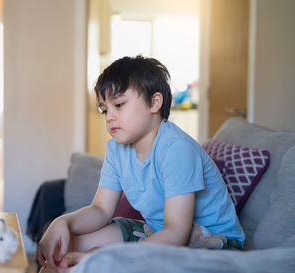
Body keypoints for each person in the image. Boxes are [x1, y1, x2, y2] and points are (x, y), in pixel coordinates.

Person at [37, 56, 245, 272]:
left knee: (99, 263)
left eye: (118, 104)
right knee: (60, 253)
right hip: (157, 232)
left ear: (154, 103)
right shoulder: (115, 149)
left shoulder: (176, 149)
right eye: (105, 110)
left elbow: (176, 232)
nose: (109, 117)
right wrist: (62, 222)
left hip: (213, 243)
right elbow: (100, 209)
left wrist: (112, 256)